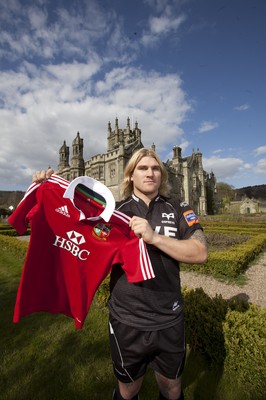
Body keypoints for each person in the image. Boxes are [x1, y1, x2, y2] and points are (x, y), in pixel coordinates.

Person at [33, 148, 208, 400]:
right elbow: (74, 231)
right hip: (127, 319)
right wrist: (48, 189)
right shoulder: (114, 213)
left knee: (171, 388)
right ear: (130, 175)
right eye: (143, 168)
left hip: (169, 317)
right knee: (128, 389)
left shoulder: (178, 208)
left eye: (156, 168)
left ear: (163, 175)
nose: (150, 173)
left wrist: (154, 237)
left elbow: (200, 252)